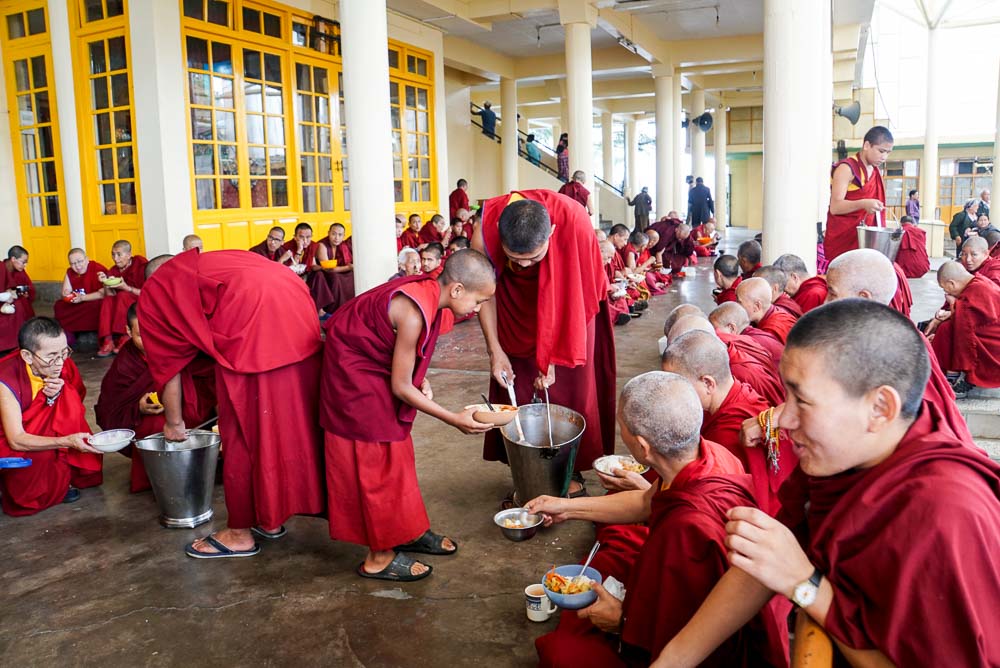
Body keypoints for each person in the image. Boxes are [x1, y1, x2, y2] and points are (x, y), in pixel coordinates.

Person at [650, 300, 1000, 668]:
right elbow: (767, 559)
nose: (781, 419)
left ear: (880, 408)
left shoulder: (947, 513)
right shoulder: (837, 456)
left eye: (802, 400)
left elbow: (790, 568)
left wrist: (804, 583)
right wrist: (673, 660)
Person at [529, 372, 789, 667]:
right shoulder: (709, 452)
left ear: (643, 447)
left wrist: (622, 619)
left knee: (562, 653)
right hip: (700, 588)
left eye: (622, 428)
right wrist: (565, 507)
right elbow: (644, 502)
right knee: (613, 544)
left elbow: (680, 627)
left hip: (705, 642)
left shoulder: (686, 529)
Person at [138, 250, 326, 558]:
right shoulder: (215, 261)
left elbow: (167, 366)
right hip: (296, 298)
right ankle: (271, 516)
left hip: (252, 315)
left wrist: (173, 424)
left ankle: (239, 533)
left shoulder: (157, 291)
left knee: (241, 430)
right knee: (290, 420)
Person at [321, 250, 495, 581]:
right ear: (456, 290)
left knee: (398, 458)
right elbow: (401, 387)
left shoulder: (429, 294)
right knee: (376, 466)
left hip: (375, 369)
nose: (479, 308)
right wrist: (452, 418)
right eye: (479, 300)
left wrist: (420, 375)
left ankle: (406, 531)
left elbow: (402, 355)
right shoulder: (414, 310)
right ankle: (379, 556)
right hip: (354, 380)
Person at [473, 192, 616, 500]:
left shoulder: (574, 221)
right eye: (514, 258)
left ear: (551, 232)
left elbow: (584, 292)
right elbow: (484, 293)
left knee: (571, 385)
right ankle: (527, 465)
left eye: (533, 259)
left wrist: (552, 357)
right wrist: (495, 351)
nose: (523, 266)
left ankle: (571, 467)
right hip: (515, 309)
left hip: (571, 309)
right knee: (519, 383)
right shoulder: (484, 231)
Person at [662, 331, 796, 517]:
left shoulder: (729, 432)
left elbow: (714, 504)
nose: (673, 394)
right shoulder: (738, 391)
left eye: (679, 385)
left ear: (709, 383)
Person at [95, 304, 216, 493]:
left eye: (155, 333)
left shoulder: (179, 346)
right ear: (128, 331)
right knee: (154, 428)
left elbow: (207, 377)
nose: (151, 342)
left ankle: (201, 470)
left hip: (189, 410)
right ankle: (159, 479)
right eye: (141, 335)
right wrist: (138, 407)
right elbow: (110, 406)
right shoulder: (127, 362)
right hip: (153, 418)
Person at [0, 317, 103, 516]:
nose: (60, 362)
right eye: (52, 356)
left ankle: (63, 477)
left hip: (32, 430)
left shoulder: (61, 364)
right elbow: (16, 440)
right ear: (27, 356)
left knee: (68, 405)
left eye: (64, 352)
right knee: (38, 460)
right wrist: (67, 441)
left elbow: (77, 398)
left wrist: (54, 397)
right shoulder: (6, 380)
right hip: (10, 435)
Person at [824, 125, 892, 261]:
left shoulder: (875, 171)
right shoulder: (846, 168)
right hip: (844, 239)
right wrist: (863, 203)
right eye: (881, 151)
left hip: (865, 240)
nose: (884, 157)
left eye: (888, 153)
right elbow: (835, 207)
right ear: (867, 145)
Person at [933, 261, 1000, 397]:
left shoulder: (979, 289)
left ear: (952, 283)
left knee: (947, 329)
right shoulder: (977, 282)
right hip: (989, 329)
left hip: (994, 339)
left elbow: (969, 322)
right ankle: (952, 372)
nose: (946, 292)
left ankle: (966, 374)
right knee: (947, 327)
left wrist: (952, 305)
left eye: (945, 288)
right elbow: (969, 315)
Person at [708, 302, 785, 405]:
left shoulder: (740, 356)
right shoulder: (750, 339)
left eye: (715, 329)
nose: (715, 334)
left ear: (732, 328)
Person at [96, 240, 147, 358]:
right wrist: (105, 282)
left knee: (122, 295)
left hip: (138, 300)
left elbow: (148, 293)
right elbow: (109, 295)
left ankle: (125, 336)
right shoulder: (113, 270)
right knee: (107, 300)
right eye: (113, 254)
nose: (115, 258)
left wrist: (127, 288)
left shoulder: (141, 265)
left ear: (129, 255)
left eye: (119, 254)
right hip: (120, 302)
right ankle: (108, 339)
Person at [53, 249, 107, 342]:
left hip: (93, 300)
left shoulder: (97, 269)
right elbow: (65, 291)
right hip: (78, 301)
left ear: (87, 259)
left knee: (100, 305)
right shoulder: (70, 272)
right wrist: (67, 294)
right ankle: (69, 332)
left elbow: (104, 293)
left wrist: (82, 298)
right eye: (73, 264)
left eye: (80, 261)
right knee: (59, 306)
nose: (77, 266)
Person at [310, 223, 355, 317]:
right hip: (322, 273)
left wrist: (349, 268)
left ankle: (347, 306)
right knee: (336, 277)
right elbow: (327, 269)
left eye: (340, 235)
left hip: (334, 271)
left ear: (344, 236)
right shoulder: (322, 245)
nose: (336, 238)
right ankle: (333, 309)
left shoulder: (343, 245)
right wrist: (348, 267)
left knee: (350, 275)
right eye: (334, 234)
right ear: (328, 233)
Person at [737, 277, 797, 344]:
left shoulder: (771, 331)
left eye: (739, 302)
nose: (735, 306)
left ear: (757, 306)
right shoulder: (775, 311)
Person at [600, 241, 633, 326]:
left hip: (608, 291)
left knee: (620, 298)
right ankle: (617, 315)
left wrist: (611, 288)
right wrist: (609, 288)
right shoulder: (590, 264)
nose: (608, 262)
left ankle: (623, 312)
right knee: (603, 304)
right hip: (598, 297)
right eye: (608, 257)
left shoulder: (601, 265)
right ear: (600, 250)